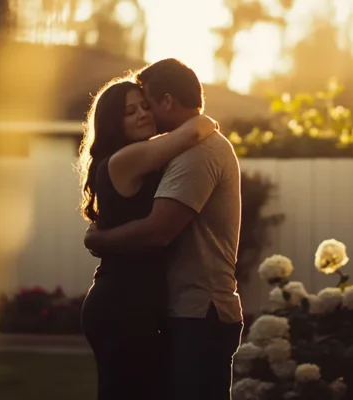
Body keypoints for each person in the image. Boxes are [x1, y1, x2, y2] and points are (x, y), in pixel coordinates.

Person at [84, 58, 244, 400]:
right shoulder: (135, 157)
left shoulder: (193, 153)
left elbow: (158, 232)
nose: (145, 114)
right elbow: (194, 127)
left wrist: (100, 239)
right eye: (131, 111)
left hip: (192, 309)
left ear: (167, 101)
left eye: (146, 105)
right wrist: (202, 121)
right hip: (126, 303)